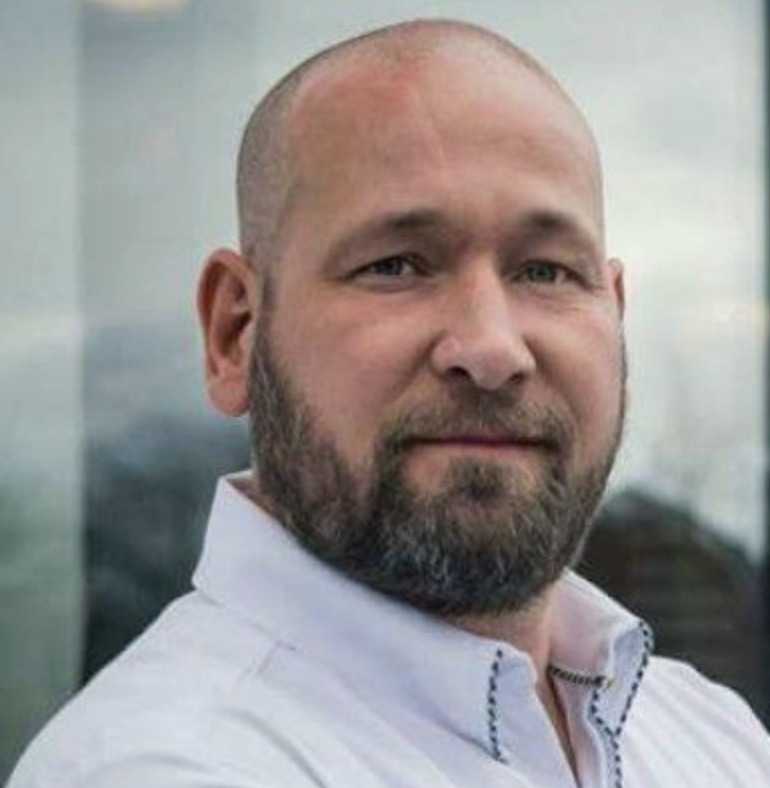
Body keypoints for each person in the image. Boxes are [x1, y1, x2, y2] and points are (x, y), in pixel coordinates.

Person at [7, 18, 770, 788]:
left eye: (545, 272)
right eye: (397, 265)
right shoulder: (162, 766)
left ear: (615, 316)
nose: (492, 349)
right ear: (235, 332)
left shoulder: (708, 733)